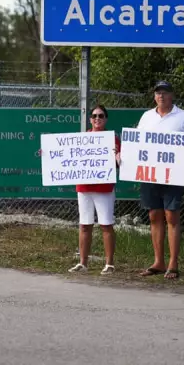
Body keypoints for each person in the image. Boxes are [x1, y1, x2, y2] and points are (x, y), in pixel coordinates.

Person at [137, 80, 184, 280]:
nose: (161, 96)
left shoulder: (183, 116)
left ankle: (173, 264)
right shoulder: (147, 116)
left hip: (173, 175)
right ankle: (158, 262)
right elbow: (137, 143)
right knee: (154, 216)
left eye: (165, 92)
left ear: (172, 95)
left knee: (171, 216)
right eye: (158, 93)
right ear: (154, 96)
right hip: (149, 174)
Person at [68, 105, 122, 275]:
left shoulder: (113, 139)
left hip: (103, 188)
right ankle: (83, 263)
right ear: (90, 119)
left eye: (101, 116)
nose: (97, 118)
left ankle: (109, 264)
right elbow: (67, 156)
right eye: (94, 116)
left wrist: (118, 156)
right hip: (84, 187)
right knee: (84, 225)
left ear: (106, 119)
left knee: (106, 225)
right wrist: (46, 154)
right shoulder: (82, 138)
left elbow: (120, 162)